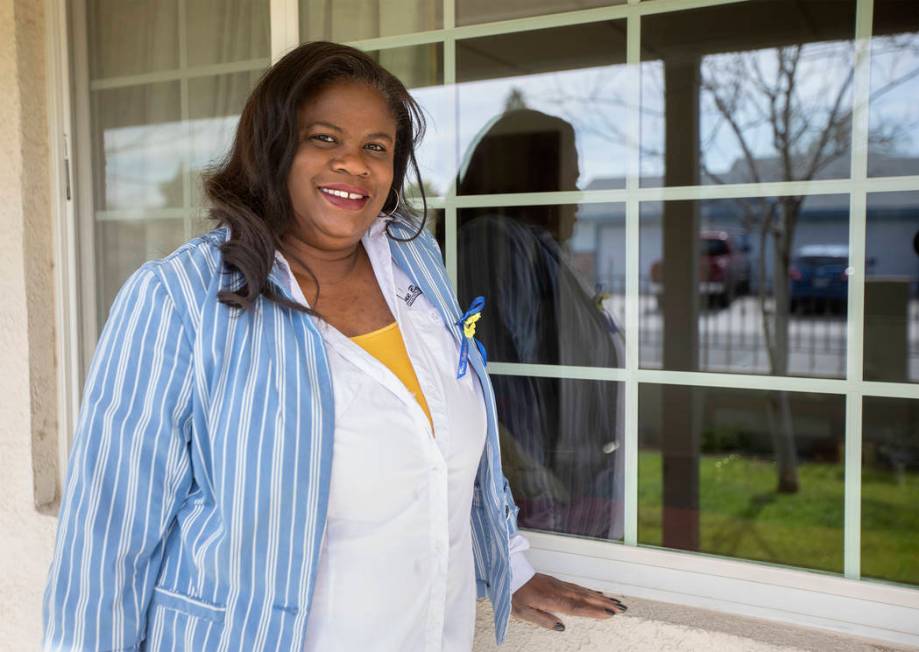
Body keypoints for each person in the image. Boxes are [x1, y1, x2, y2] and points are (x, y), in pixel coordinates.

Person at [42, 42, 625, 651]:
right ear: (272, 148)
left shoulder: (414, 263)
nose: (354, 164)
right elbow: (106, 539)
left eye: (376, 146)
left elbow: (448, 450)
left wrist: (509, 563)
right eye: (324, 138)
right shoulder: (179, 300)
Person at [456, 109, 625, 541]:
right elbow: (494, 383)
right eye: (570, 182)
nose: (577, 196)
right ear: (533, 181)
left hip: (572, 494)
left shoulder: (539, 252)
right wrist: (542, 491)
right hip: (543, 510)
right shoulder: (497, 245)